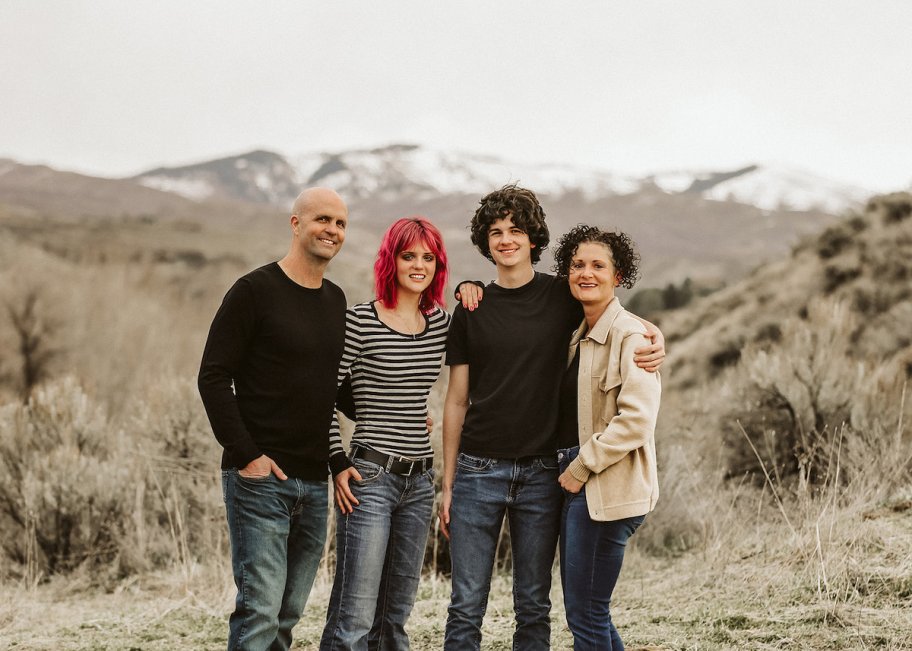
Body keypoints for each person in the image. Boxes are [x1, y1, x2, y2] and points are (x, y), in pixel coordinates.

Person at [439, 184, 664, 650]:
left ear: (533, 239)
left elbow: (611, 310)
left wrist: (653, 334)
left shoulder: (561, 296)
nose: (506, 239)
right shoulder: (470, 307)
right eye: (496, 232)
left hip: (544, 472)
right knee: (465, 606)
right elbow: (456, 401)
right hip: (478, 471)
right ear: (485, 241)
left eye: (516, 230)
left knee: (533, 606)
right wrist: (448, 482)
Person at [198, 187, 349, 651]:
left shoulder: (335, 300)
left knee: (286, 617)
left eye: (341, 223)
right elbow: (213, 376)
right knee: (259, 615)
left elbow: (331, 388)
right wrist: (248, 456)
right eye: (323, 219)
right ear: (295, 223)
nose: (333, 230)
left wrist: (394, 410)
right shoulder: (253, 291)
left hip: (313, 482)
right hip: (260, 481)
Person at [320, 217, 450, 651]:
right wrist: (337, 462)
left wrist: (475, 288)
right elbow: (320, 397)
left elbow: (492, 341)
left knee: (395, 617)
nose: (419, 265)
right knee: (354, 617)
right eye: (408, 255)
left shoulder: (441, 324)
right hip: (369, 479)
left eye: (428, 258)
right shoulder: (359, 321)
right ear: (390, 261)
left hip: (420, 483)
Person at [553, 225, 661, 650]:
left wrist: (580, 467)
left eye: (599, 265)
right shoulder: (578, 332)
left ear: (618, 276)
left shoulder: (630, 335)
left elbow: (637, 419)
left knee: (586, 614)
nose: (586, 273)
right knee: (590, 613)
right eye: (577, 264)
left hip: (605, 489)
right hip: (582, 485)